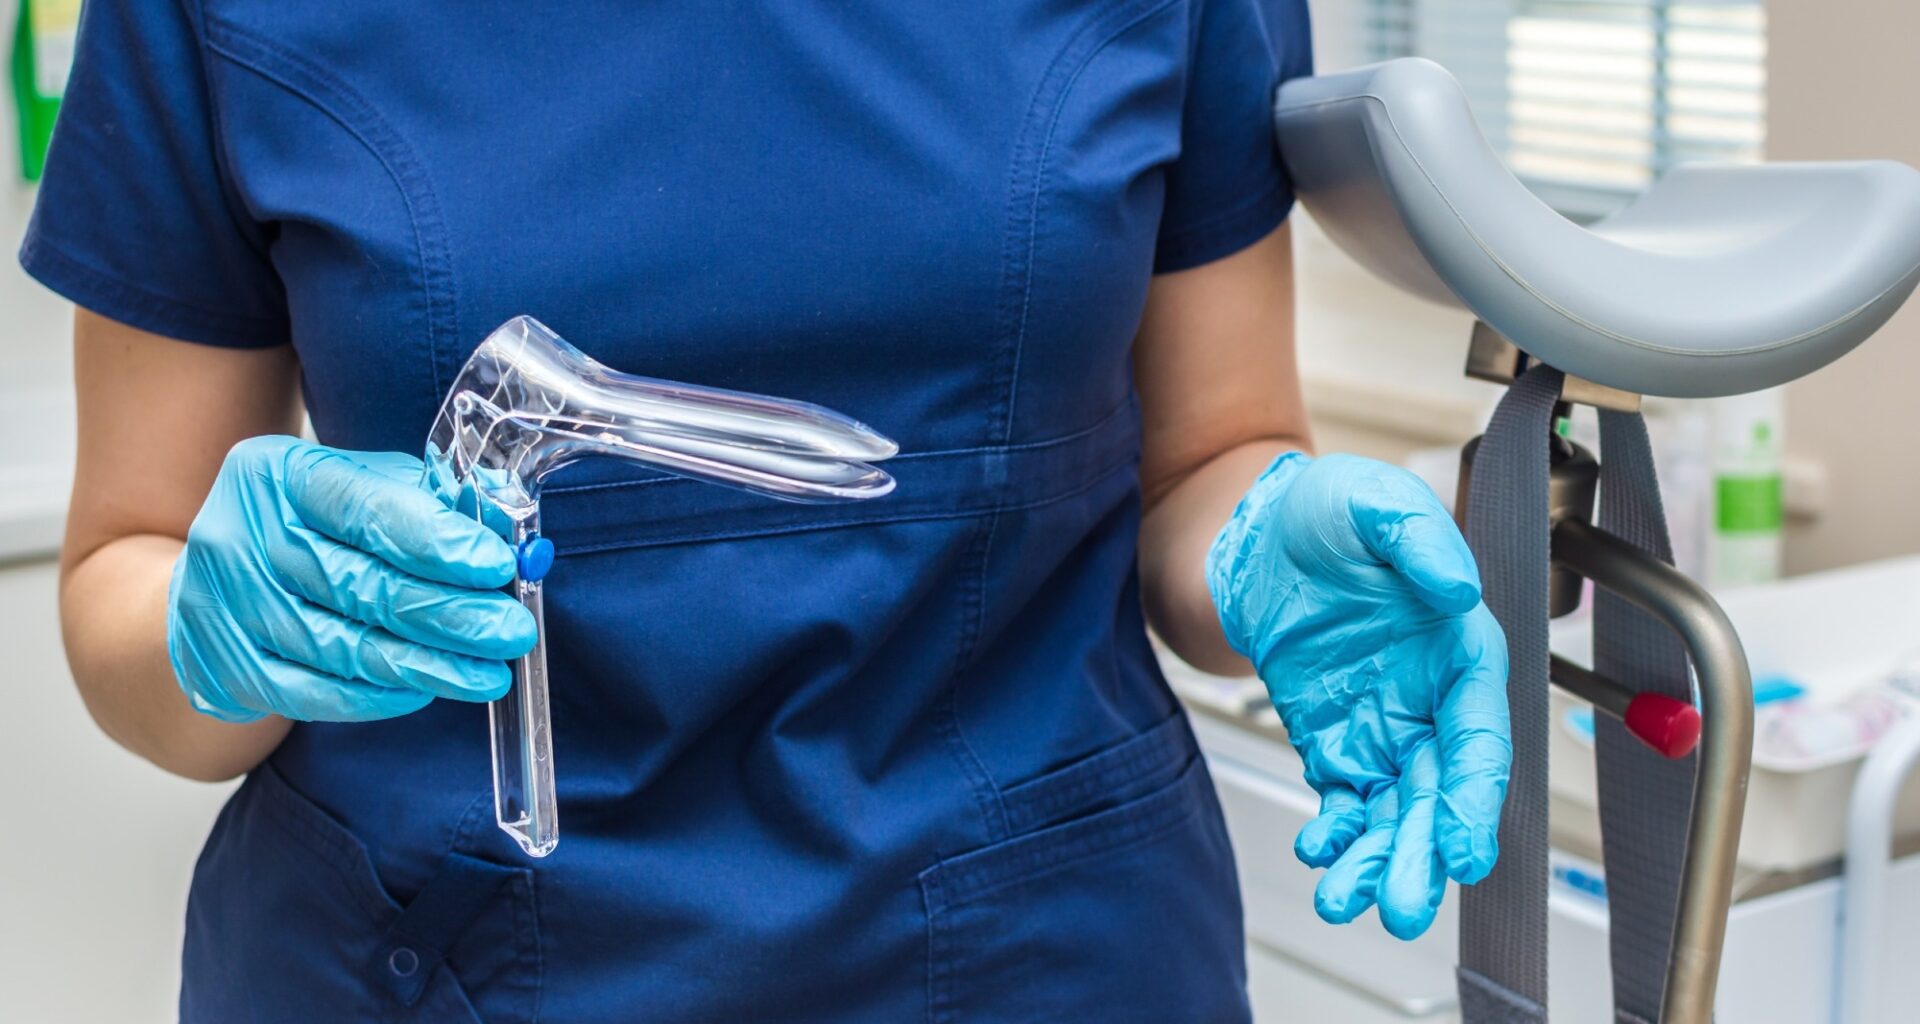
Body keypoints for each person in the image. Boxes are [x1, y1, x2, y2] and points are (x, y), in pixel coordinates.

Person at [24, 1, 1509, 1020]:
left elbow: (1219, 451)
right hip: (443, 954)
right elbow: (122, 580)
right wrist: (223, 627)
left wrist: (1268, 545)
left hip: (1043, 954)